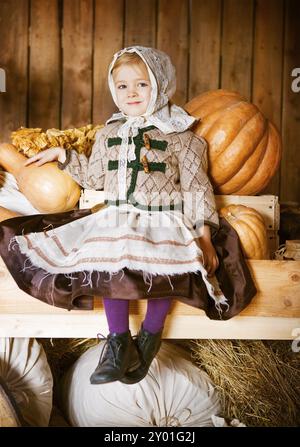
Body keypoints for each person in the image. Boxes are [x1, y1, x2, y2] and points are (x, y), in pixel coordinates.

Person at [0, 46, 256, 386]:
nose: (131, 93)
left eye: (142, 84)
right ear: (113, 89)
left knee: (164, 265)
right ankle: (118, 341)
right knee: (107, 261)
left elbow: (197, 188)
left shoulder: (182, 137)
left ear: (160, 85)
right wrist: (64, 156)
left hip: (165, 218)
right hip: (120, 216)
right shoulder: (109, 134)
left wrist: (204, 234)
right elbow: (95, 179)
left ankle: (150, 337)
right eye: (122, 86)